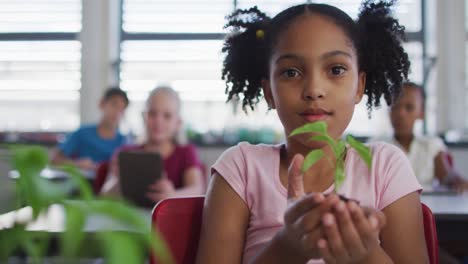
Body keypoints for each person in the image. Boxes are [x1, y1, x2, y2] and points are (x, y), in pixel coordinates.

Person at [196, 2, 428, 264]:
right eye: (291, 72)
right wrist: (287, 247)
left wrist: (363, 252)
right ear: (269, 92)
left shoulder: (385, 167)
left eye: (336, 69)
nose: (314, 89)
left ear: (359, 86)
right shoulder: (240, 169)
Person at [101, 86, 204, 202]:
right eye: (152, 113)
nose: (158, 121)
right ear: (144, 117)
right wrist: (118, 181)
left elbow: (197, 190)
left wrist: (173, 195)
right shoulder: (124, 152)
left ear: (178, 123)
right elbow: (104, 195)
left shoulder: (186, 152)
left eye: (167, 116)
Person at [373, 82, 468, 191]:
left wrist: (456, 180)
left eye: (409, 107)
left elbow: (446, 175)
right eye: (395, 106)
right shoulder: (376, 145)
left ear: (422, 113)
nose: (401, 113)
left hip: (428, 205)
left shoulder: (431, 144)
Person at [51, 87, 129, 171]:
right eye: (114, 105)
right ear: (101, 104)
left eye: (122, 108)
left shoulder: (123, 141)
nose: (117, 112)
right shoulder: (82, 133)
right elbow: (54, 159)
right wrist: (77, 164)